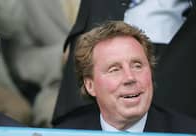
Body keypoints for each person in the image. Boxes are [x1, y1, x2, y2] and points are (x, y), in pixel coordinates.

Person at [52, 0, 196, 126]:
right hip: (103, 24)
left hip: (182, 45)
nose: (129, 77)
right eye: (115, 70)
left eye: (137, 67)